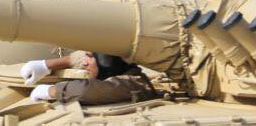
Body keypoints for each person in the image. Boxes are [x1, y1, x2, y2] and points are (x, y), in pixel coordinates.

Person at [20, 51, 155, 106]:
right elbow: (84, 57)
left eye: (91, 58)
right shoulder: (114, 64)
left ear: (107, 67)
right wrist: (45, 65)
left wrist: (51, 91)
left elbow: (87, 91)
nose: (84, 63)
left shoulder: (132, 84)